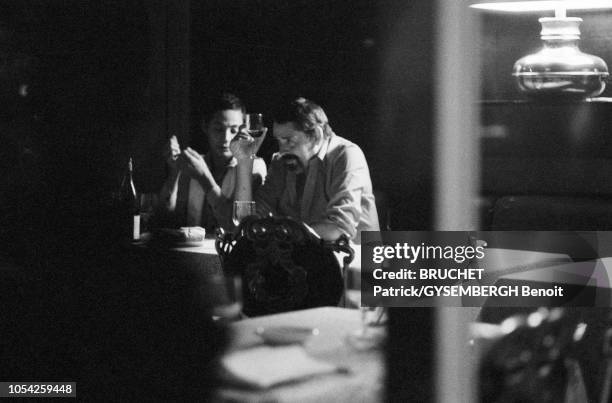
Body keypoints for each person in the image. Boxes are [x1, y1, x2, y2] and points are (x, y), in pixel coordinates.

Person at [231, 97, 379, 243]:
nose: (282, 150)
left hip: (361, 260)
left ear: (317, 135)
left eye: (289, 141)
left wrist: (282, 234)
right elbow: (248, 223)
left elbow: (339, 227)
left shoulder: (345, 155)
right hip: (305, 260)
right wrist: (244, 162)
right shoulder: (281, 162)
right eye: (279, 141)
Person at [158, 92, 266, 232]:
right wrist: (175, 171)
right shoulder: (196, 164)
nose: (226, 138)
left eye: (234, 130)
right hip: (193, 252)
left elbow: (239, 226)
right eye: (218, 129)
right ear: (205, 127)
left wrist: (205, 179)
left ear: (243, 130)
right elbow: (167, 220)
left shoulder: (253, 166)